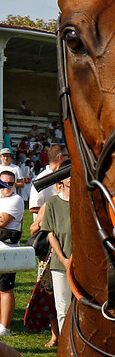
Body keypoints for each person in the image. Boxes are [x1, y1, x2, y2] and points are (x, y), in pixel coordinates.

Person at [41, 174, 72, 334]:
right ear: (62, 181)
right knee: (63, 306)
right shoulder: (53, 203)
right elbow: (51, 234)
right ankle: (66, 343)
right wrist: (63, 259)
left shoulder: (85, 202)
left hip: (84, 264)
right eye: (69, 176)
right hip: (60, 264)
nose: (72, 179)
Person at [0, 172, 24, 338]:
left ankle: (5, 327)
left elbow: (3, 221)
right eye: (4, 183)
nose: (7, 186)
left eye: (11, 183)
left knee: (5, 288)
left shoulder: (16, 200)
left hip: (8, 249)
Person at [29, 144, 69, 233]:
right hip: (46, 230)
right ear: (61, 157)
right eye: (67, 156)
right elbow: (34, 207)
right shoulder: (41, 180)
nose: (69, 159)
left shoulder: (67, 177)